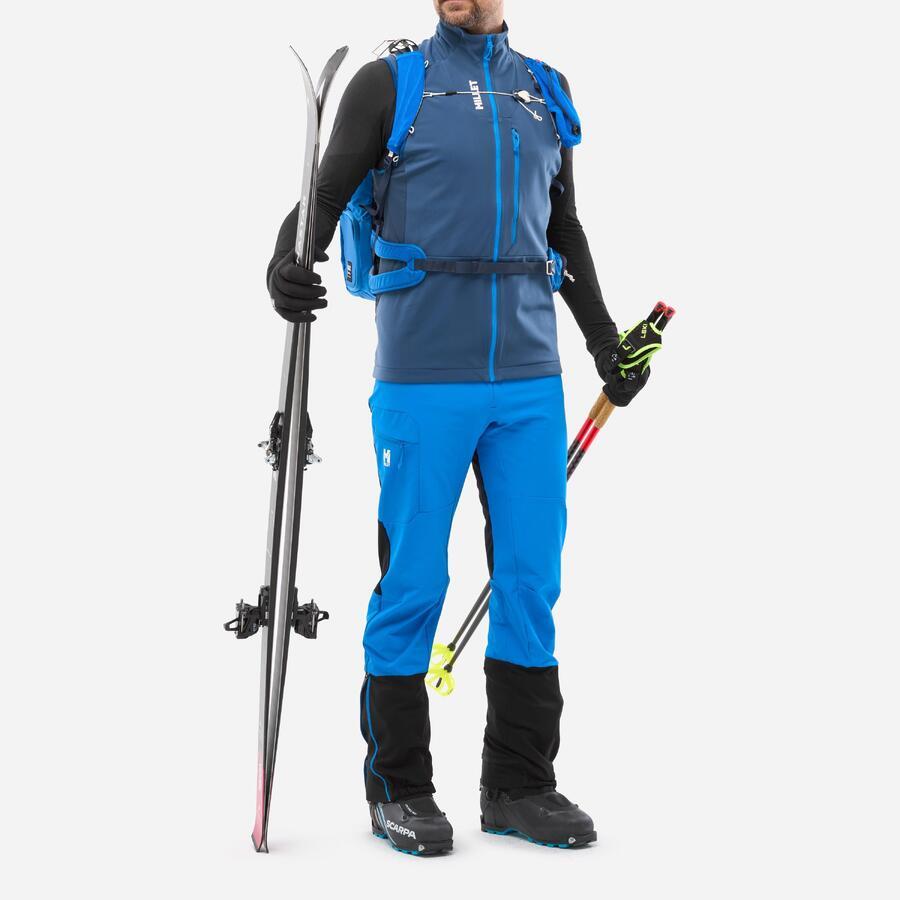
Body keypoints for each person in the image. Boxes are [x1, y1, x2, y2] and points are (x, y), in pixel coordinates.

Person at [266, 0, 649, 855]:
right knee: (413, 580)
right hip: (423, 380)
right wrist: (285, 262)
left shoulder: (543, 90)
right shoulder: (391, 85)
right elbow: (321, 198)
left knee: (529, 578)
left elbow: (563, 228)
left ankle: (519, 784)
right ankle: (398, 789)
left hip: (531, 384)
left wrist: (604, 343)